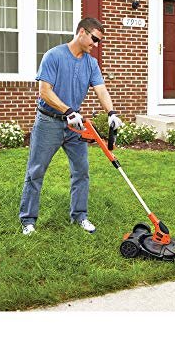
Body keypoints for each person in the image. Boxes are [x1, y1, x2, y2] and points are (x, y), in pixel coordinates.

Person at [19, 17, 123, 235]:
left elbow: (101, 89)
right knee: (36, 171)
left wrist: (111, 112)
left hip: (75, 126)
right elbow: (45, 92)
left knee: (81, 171)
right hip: (49, 122)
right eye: (95, 39)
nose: (96, 44)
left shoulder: (91, 63)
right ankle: (28, 220)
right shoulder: (54, 56)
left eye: (99, 41)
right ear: (82, 32)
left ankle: (79, 216)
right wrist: (67, 111)